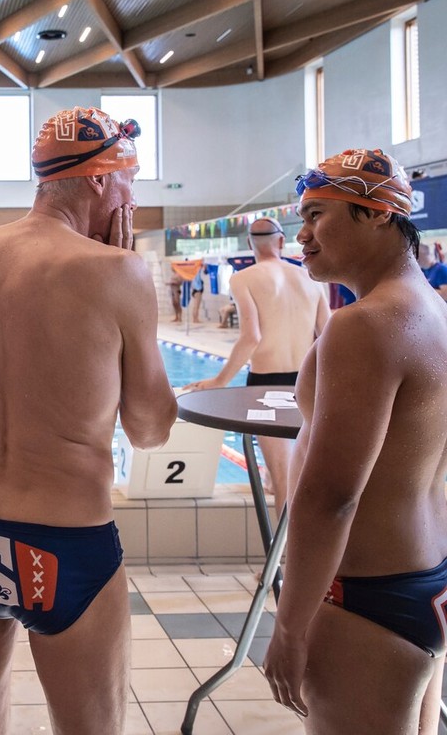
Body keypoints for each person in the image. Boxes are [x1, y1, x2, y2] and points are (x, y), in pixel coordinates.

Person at [0, 107, 177, 735]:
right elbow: (150, 428)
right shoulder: (117, 269)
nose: (133, 201)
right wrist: (125, 289)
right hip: (64, 544)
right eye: (130, 183)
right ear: (101, 180)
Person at [263, 148, 447, 733]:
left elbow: (329, 496)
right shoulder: (435, 314)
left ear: (377, 215)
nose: (303, 232)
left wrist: (289, 629)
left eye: (318, 213)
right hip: (428, 577)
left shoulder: (362, 325)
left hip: (364, 597)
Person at [185, 216, 329, 514]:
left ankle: (285, 558)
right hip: (307, 383)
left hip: (265, 385)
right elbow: (326, 335)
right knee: (308, 474)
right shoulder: (311, 277)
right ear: (280, 242)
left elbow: (252, 337)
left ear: (250, 244)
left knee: (281, 477)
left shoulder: (243, 278)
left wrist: (220, 380)